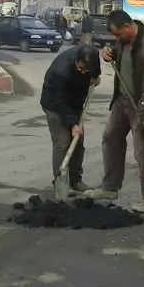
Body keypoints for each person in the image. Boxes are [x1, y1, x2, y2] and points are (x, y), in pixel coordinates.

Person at [84, 9, 144, 213]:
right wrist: (109, 53)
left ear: (127, 27)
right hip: (123, 99)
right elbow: (121, 55)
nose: (116, 39)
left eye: (117, 35)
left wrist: (143, 112)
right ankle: (110, 187)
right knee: (110, 138)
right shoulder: (125, 41)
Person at [40, 44, 101, 195]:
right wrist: (73, 124)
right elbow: (60, 103)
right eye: (81, 69)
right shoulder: (59, 72)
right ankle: (60, 182)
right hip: (55, 105)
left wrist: (95, 76)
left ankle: (75, 180)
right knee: (63, 143)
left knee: (78, 143)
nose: (83, 72)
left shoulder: (92, 57)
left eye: (86, 71)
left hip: (76, 104)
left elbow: (95, 71)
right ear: (76, 60)